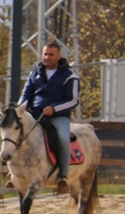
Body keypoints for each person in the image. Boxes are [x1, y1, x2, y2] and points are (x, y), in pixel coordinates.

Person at [19, 41, 80, 195]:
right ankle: (17, 174)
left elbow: (73, 100)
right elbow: (26, 94)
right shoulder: (35, 73)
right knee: (18, 133)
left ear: (58, 57)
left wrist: (55, 109)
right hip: (35, 114)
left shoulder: (69, 76)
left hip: (58, 117)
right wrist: (18, 110)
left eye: (51, 54)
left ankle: (63, 176)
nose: (47, 57)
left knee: (63, 138)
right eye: (45, 54)